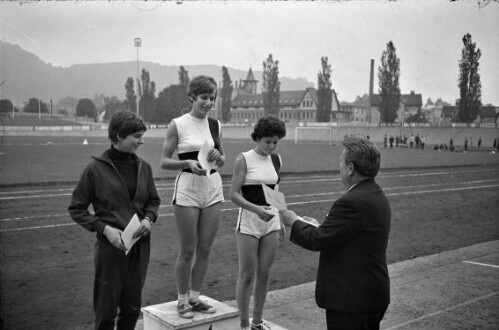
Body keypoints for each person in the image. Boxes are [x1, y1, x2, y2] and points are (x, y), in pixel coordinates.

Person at [280, 137, 391, 330]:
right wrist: (318, 227)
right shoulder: (375, 194)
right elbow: (344, 235)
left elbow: (318, 240)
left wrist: (293, 221)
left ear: (350, 168)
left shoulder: (351, 202)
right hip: (370, 295)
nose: (338, 165)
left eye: (341, 160)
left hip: (352, 301)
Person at [68, 110, 161, 330]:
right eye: (137, 136)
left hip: (140, 246)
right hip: (111, 248)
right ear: (119, 135)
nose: (141, 141)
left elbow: (153, 200)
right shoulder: (95, 170)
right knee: (106, 310)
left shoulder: (144, 168)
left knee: (131, 308)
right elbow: (76, 207)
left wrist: (149, 219)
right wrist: (104, 229)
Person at [159, 75, 225, 318]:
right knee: (188, 249)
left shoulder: (216, 125)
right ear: (192, 97)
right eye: (204, 97)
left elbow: (223, 158)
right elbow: (164, 161)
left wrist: (219, 158)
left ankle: (196, 297)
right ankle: (182, 299)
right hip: (187, 188)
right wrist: (187, 162)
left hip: (213, 187)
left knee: (205, 248)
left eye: (212, 98)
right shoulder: (178, 124)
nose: (208, 103)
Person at [229, 115, 287, 330]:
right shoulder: (244, 159)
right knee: (246, 274)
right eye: (267, 142)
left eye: (275, 142)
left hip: (270, 221)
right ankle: (243, 324)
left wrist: (279, 216)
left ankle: (257, 322)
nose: (271, 146)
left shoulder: (276, 160)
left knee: (264, 273)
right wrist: (255, 209)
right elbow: (233, 194)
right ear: (258, 138)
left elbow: (274, 191)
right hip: (250, 220)